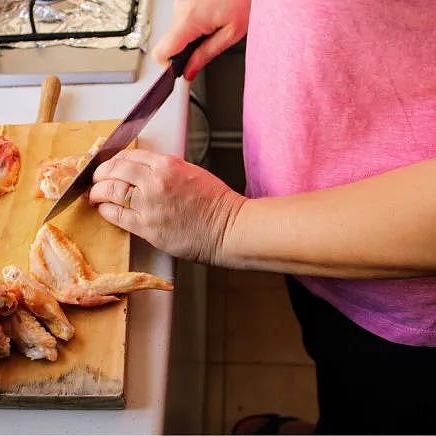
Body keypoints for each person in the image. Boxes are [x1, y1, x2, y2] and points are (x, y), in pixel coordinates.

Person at [89, 0, 436, 434]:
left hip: (405, 299)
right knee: (337, 368)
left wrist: (224, 225)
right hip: (309, 243)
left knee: (381, 405)